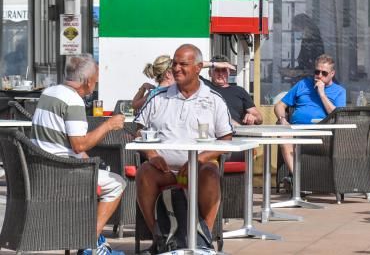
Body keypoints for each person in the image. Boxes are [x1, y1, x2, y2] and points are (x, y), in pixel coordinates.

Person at [134, 44, 234, 249]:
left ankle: (201, 239)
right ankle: (161, 239)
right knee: (144, 172)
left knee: (210, 173)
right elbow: (138, 132)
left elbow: (226, 140)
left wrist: (200, 160)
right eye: (174, 63)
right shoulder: (157, 97)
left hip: (198, 170)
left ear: (198, 68)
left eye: (183, 64)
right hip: (163, 170)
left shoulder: (214, 99)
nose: (176, 68)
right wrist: (152, 155)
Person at [30, 54, 126, 255]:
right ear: (87, 81)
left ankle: (93, 240)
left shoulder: (50, 92)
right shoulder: (73, 100)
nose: (96, 82)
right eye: (96, 79)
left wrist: (86, 159)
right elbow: (79, 144)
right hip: (61, 174)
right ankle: (89, 244)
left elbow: (63, 142)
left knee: (98, 177)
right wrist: (108, 125)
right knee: (117, 183)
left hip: (41, 170)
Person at [274, 54, 345, 179]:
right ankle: (298, 180)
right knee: (284, 134)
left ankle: (298, 181)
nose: (319, 76)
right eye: (317, 72)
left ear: (332, 74)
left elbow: (338, 115)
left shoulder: (339, 91)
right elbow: (279, 105)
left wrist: (322, 94)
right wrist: (283, 119)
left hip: (324, 134)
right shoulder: (303, 85)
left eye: (324, 73)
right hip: (297, 130)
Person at [207, 54, 263, 125]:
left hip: (238, 133)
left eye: (224, 70)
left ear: (229, 72)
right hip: (213, 133)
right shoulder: (203, 87)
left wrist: (253, 117)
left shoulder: (239, 91)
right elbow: (192, 66)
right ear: (209, 73)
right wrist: (213, 64)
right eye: (217, 70)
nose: (220, 74)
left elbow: (259, 118)